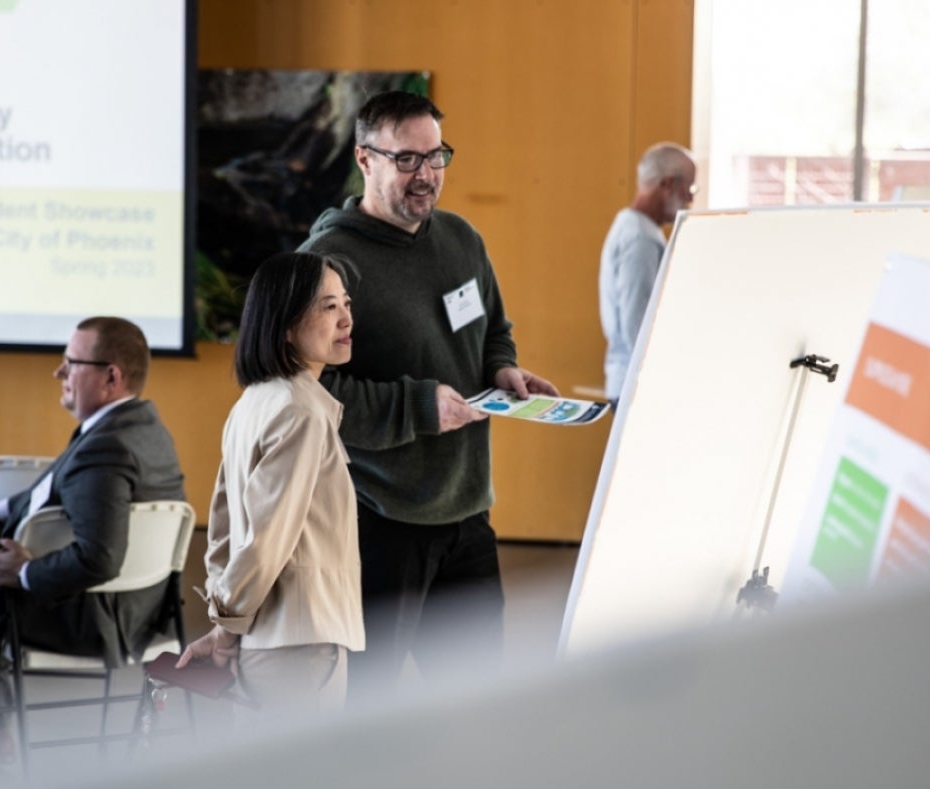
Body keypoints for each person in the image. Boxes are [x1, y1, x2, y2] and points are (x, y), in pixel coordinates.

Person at [298, 91, 558, 701]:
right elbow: (309, 389)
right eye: (408, 159)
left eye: (437, 156)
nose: (427, 175)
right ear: (365, 159)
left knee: (478, 700)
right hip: (380, 521)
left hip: (467, 514)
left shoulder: (461, 239)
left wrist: (503, 371)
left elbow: (493, 329)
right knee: (376, 708)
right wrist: (418, 407)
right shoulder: (328, 265)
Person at [0, 316, 186, 733]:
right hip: (141, 607)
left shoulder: (108, 448)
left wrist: (23, 573)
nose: (59, 372)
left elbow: (100, 559)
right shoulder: (137, 424)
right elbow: (56, 481)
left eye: (71, 362)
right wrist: (1, 512)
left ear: (111, 376)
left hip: (96, 619)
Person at [177, 252, 364, 719]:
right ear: (284, 325)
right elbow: (265, 541)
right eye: (327, 307)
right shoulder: (299, 411)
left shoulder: (253, 403)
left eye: (345, 303)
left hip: (269, 643)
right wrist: (228, 624)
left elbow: (222, 531)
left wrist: (226, 624)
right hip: (300, 646)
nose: (346, 318)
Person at [598, 142, 697, 405]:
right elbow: (636, 324)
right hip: (635, 386)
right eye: (690, 188)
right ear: (667, 185)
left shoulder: (635, 226)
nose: (690, 198)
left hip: (632, 380)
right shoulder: (640, 238)